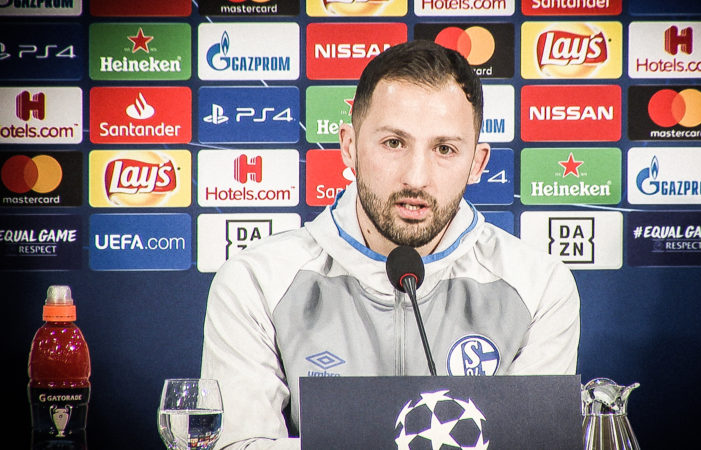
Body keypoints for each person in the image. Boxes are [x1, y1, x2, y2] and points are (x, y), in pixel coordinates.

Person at [201, 40, 580, 449]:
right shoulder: (256, 281)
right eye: (394, 143)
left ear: (477, 164)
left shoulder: (539, 286)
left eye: (445, 149)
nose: (416, 178)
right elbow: (239, 444)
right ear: (349, 146)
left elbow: (536, 444)